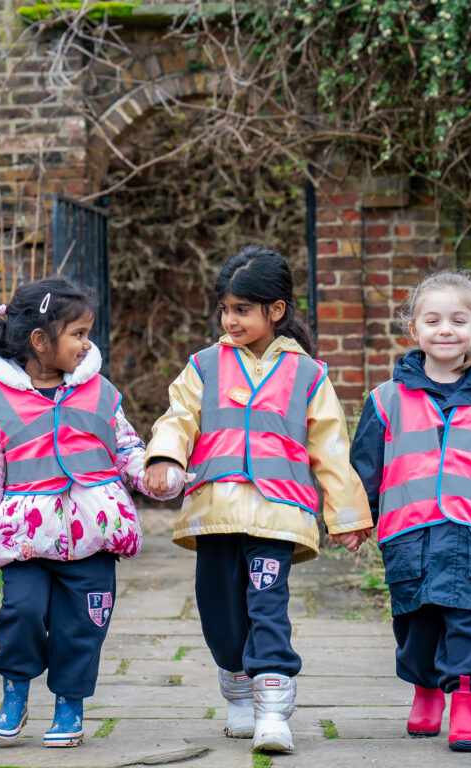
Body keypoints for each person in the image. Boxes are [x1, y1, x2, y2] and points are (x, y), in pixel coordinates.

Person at [143, 245, 372, 753]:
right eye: (225, 308)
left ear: (276, 311)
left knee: (268, 607)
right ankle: (237, 689)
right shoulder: (203, 366)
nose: (230, 319)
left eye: (242, 309)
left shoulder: (309, 374)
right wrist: (165, 458)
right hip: (213, 510)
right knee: (219, 614)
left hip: (278, 512)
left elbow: (331, 448)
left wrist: (347, 516)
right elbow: (178, 418)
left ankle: (274, 709)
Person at [0, 275, 179, 748]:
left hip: (95, 534)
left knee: (83, 625)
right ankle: (16, 689)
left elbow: (127, 446)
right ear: (40, 341)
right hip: (26, 539)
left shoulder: (100, 391)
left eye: (88, 333)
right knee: (20, 614)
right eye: (78, 334)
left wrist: (154, 473)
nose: (88, 344)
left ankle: (69, 702)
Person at [350, 270, 471, 752]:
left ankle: (467, 707)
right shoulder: (386, 399)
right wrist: (355, 519)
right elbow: (365, 468)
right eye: (432, 320)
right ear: (413, 330)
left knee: (467, 620)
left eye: (459, 320)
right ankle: (426, 690)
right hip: (407, 533)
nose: (446, 329)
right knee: (415, 621)